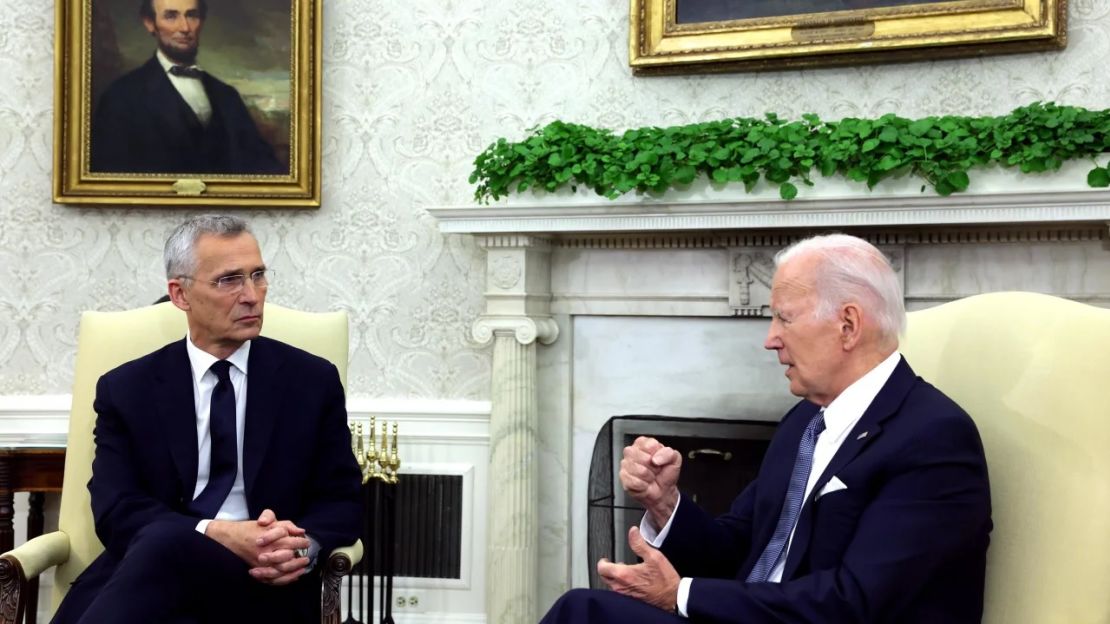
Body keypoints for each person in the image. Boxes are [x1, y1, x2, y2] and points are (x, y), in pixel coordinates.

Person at [541, 234, 992, 623]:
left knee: (584, 613)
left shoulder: (933, 437)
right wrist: (665, 504)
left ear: (848, 325)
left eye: (785, 317)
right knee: (585, 613)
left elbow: (855, 604)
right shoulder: (805, 422)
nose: (770, 337)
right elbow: (739, 547)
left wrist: (680, 595)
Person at [50, 215, 361, 624]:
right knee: (163, 543)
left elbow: (342, 499)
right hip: (150, 572)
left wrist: (303, 549)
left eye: (258, 276)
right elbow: (116, 509)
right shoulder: (127, 389)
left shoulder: (311, 381)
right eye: (229, 280)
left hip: (263, 580)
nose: (251, 295)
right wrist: (215, 532)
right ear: (180, 295)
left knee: (162, 544)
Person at [89, 0, 286, 174]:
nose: (184, 27)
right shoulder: (121, 96)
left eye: (192, 15)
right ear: (150, 24)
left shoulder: (227, 96)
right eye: (171, 16)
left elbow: (264, 166)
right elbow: (108, 179)